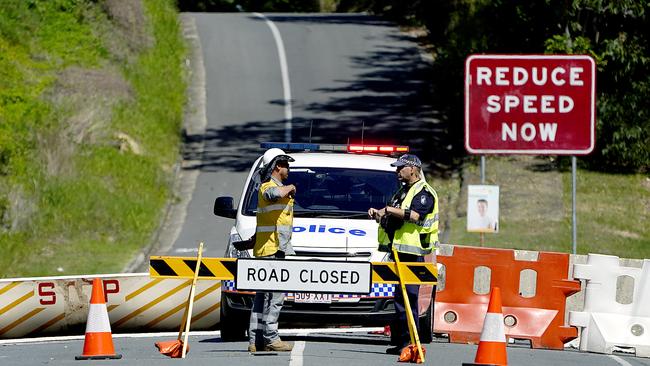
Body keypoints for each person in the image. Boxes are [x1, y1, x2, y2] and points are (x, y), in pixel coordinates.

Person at [367, 153, 439, 355]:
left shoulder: (423, 192)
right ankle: (400, 341)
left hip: (412, 252)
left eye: (401, 168)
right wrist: (380, 214)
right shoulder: (402, 191)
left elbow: (416, 215)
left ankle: (410, 341)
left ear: (413, 169)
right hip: (398, 250)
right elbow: (396, 217)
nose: (397, 171)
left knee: (409, 297)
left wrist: (388, 209)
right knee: (400, 297)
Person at [248, 148, 296, 353]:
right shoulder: (268, 186)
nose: (288, 169)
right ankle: (271, 338)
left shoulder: (272, 187)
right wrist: (290, 187)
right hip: (273, 250)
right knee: (275, 299)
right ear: (277, 166)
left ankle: (255, 340)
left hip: (269, 249)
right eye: (286, 164)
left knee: (261, 298)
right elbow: (272, 193)